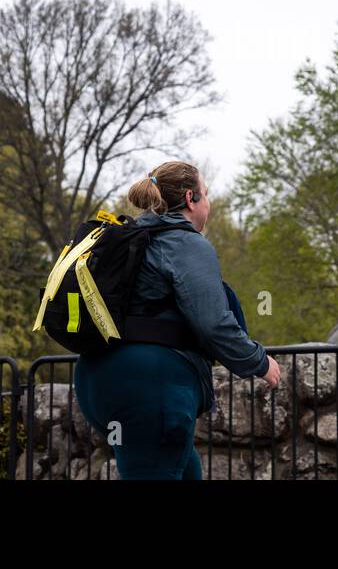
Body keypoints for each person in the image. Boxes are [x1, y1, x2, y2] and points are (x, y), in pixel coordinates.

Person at [73, 160, 281, 480]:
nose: (209, 203)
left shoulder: (130, 237)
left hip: (95, 379)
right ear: (190, 199)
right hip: (150, 389)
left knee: (185, 473)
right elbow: (213, 322)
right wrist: (258, 361)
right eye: (206, 194)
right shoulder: (184, 242)